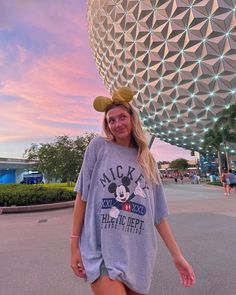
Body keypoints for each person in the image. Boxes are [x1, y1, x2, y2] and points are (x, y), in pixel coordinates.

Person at [70, 87, 196, 295]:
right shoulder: (98, 147)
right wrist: (73, 246)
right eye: (111, 120)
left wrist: (177, 256)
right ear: (107, 125)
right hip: (101, 251)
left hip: (138, 254)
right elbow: (81, 197)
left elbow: (158, 216)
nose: (117, 124)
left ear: (132, 118)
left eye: (122, 117)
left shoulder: (148, 161)